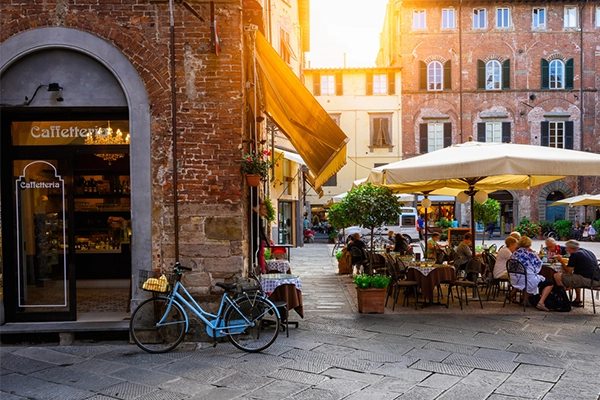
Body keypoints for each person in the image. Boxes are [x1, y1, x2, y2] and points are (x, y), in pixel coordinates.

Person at [510, 236, 553, 311]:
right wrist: (534, 253)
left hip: (516, 279)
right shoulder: (530, 254)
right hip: (527, 279)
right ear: (529, 245)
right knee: (549, 283)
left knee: (527, 277)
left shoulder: (515, 253)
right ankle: (541, 303)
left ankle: (525, 300)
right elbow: (539, 265)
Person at [554, 240, 600, 307]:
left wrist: (561, 260)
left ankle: (564, 301)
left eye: (567, 248)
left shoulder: (575, 254)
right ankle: (577, 299)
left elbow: (568, 271)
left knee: (557, 276)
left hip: (590, 281)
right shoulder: (588, 252)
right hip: (597, 278)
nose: (566, 250)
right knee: (575, 276)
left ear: (571, 248)